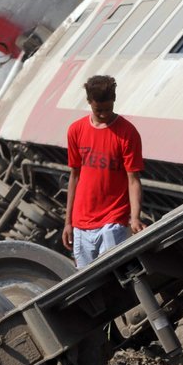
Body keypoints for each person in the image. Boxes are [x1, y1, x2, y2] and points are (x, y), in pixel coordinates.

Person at [62, 75, 146, 267]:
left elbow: (133, 179)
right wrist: (68, 222)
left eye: (108, 109)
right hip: (81, 223)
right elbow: (74, 177)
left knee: (115, 275)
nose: (103, 114)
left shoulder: (127, 133)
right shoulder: (76, 130)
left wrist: (134, 217)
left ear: (114, 99)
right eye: (98, 110)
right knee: (87, 284)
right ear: (89, 102)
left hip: (113, 220)